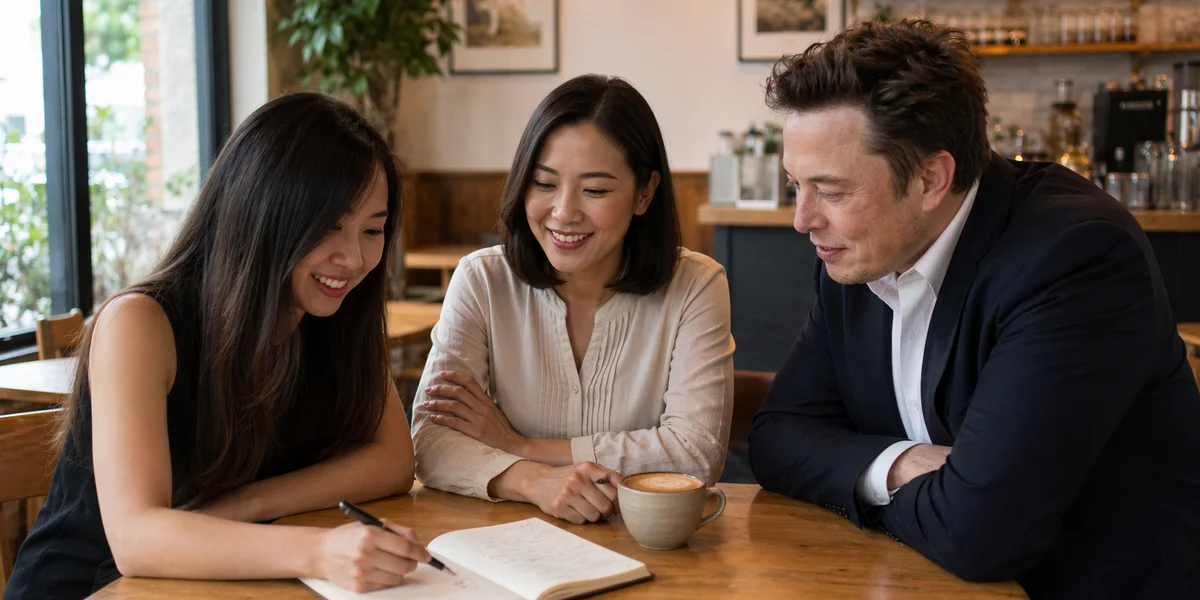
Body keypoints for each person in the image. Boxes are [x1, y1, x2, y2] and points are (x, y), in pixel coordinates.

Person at [747, 19, 1200, 599]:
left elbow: (983, 533)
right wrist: (900, 467)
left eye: (831, 191)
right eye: (795, 185)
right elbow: (779, 436)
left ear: (932, 178)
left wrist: (904, 492)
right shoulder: (856, 255)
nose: (802, 219)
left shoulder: (1075, 256)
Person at [5, 93, 431, 599]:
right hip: (94, 586)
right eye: (329, 225)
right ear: (260, 212)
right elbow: (135, 538)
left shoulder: (337, 316)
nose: (354, 258)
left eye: (373, 230)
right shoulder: (140, 323)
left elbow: (392, 461)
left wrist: (246, 504)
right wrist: (318, 551)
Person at [410, 74, 735, 525]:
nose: (563, 212)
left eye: (595, 190)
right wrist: (532, 480)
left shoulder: (696, 285)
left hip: (649, 549)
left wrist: (520, 446)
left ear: (645, 192)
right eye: (544, 184)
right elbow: (430, 441)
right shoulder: (482, 279)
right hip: (507, 543)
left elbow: (695, 454)